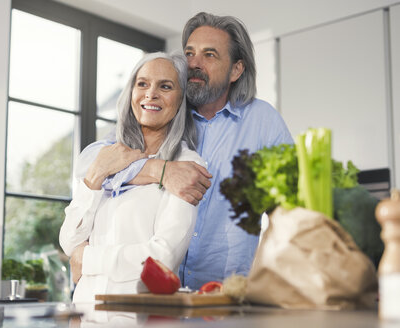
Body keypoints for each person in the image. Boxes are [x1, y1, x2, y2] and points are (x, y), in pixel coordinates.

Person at [71, 12, 293, 290]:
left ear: (236, 70)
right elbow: (90, 163)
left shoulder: (263, 121)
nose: (194, 64)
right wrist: (159, 171)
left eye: (209, 55)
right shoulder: (162, 112)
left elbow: (290, 212)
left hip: (223, 295)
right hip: (152, 295)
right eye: (189, 53)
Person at [59, 52, 205, 303]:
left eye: (165, 86)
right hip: (84, 315)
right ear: (131, 92)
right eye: (143, 84)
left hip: (136, 317)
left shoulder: (186, 165)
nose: (151, 94)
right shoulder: (108, 156)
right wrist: (95, 175)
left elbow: (162, 259)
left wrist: (87, 258)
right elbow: (69, 239)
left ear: (181, 99)